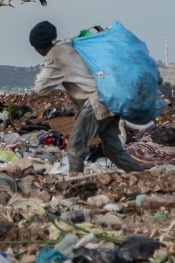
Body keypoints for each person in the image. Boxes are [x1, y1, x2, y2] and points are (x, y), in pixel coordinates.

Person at [30, 20, 147, 174]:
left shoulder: (55, 56)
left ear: (39, 47)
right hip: (111, 98)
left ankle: (75, 184)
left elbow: (40, 89)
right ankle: (141, 174)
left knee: (75, 147)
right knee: (113, 150)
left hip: (96, 103)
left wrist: (44, 73)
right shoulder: (70, 45)